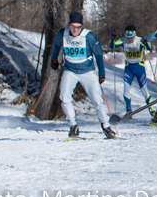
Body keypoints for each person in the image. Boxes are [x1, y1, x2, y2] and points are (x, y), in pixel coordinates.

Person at [50, 11, 116, 139]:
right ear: (69, 25)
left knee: (97, 100)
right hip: (70, 71)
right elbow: (57, 46)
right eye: (72, 27)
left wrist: (101, 73)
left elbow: (98, 55)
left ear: (82, 26)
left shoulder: (89, 36)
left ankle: (106, 126)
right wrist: (54, 60)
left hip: (87, 72)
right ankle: (73, 126)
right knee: (64, 97)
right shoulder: (62, 34)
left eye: (78, 27)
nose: (75, 30)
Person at [109, 25, 152, 116]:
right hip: (129, 68)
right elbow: (112, 46)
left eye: (132, 37)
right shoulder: (123, 40)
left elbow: (149, 48)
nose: (130, 39)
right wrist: (113, 38)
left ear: (135, 35)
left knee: (144, 89)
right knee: (125, 89)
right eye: (128, 37)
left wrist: (146, 42)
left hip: (139, 67)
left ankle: (151, 110)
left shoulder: (139, 40)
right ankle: (129, 110)